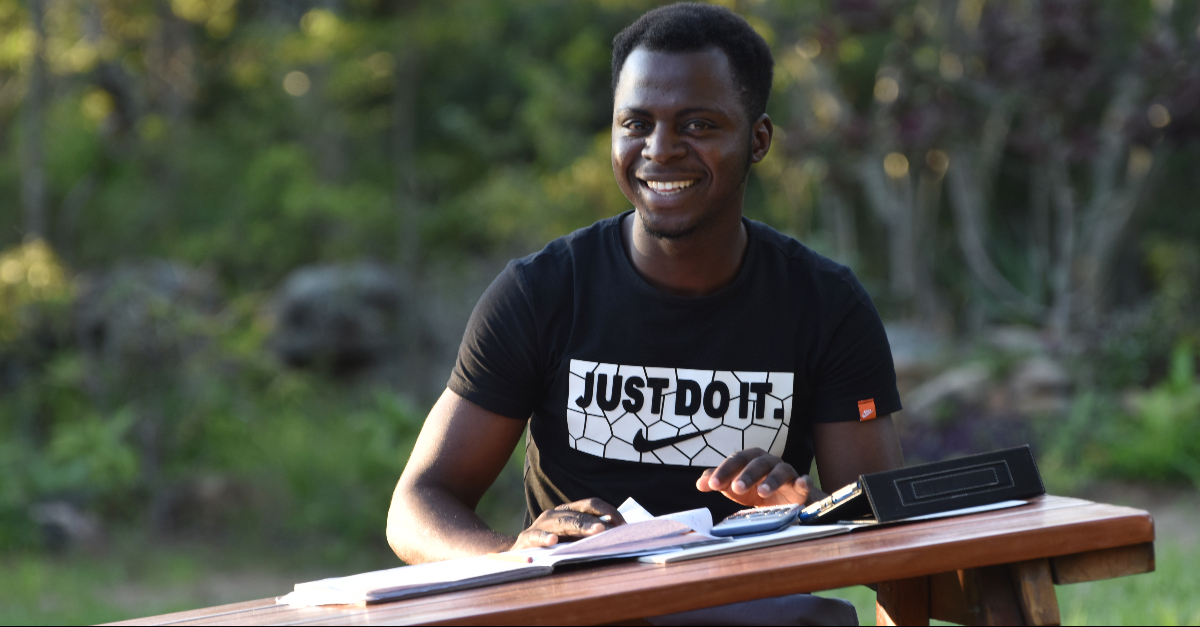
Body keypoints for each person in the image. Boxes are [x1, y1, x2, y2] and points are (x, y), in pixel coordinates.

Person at [386, 3, 904, 624]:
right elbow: (417, 506)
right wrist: (519, 557)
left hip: (747, 611)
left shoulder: (825, 304)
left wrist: (801, 510)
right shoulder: (543, 291)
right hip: (580, 612)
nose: (660, 150)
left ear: (757, 140)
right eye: (636, 123)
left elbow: (881, 533)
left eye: (699, 125)